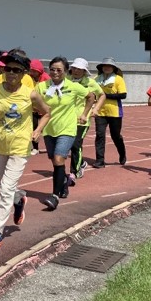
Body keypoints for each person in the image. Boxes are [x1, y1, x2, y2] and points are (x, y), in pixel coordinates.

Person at [0, 53, 50, 252]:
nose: (11, 73)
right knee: (6, 186)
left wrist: (38, 131)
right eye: (7, 69)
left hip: (20, 146)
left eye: (16, 70)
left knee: (4, 190)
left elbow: (47, 112)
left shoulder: (31, 94)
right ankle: (20, 199)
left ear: (24, 74)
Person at [35, 56, 93, 210]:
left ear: (66, 71)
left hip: (67, 129)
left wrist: (84, 114)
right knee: (55, 162)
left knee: (59, 158)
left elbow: (91, 97)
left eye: (59, 70)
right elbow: (32, 101)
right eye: (52, 69)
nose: (54, 72)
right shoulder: (42, 86)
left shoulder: (73, 87)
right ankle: (64, 181)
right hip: (49, 129)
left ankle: (54, 196)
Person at [67, 58, 105, 182]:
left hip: (82, 120)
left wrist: (95, 109)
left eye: (80, 69)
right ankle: (82, 162)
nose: (76, 71)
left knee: (76, 144)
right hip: (66, 119)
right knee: (67, 146)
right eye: (74, 68)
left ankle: (75, 172)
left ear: (85, 71)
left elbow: (102, 95)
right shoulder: (66, 80)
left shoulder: (91, 83)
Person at [93, 57, 128, 168]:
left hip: (115, 112)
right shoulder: (96, 79)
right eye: (105, 66)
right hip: (100, 112)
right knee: (99, 135)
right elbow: (92, 93)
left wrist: (105, 96)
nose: (107, 68)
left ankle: (122, 154)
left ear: (113, 68)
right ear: (101, 68)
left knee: (115, 136)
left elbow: (123, 95)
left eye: (109, 66)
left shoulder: (118, 79)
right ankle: (100, 160)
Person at [28, 58, 49, 155]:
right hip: (33, 108)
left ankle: (51, 146)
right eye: (30, 70)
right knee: (34, 127)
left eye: (33, 70)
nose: (31, 72)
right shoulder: (29, 78)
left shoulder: (46, 78)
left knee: (47, 129)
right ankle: (35, 148)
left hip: (45, 108)